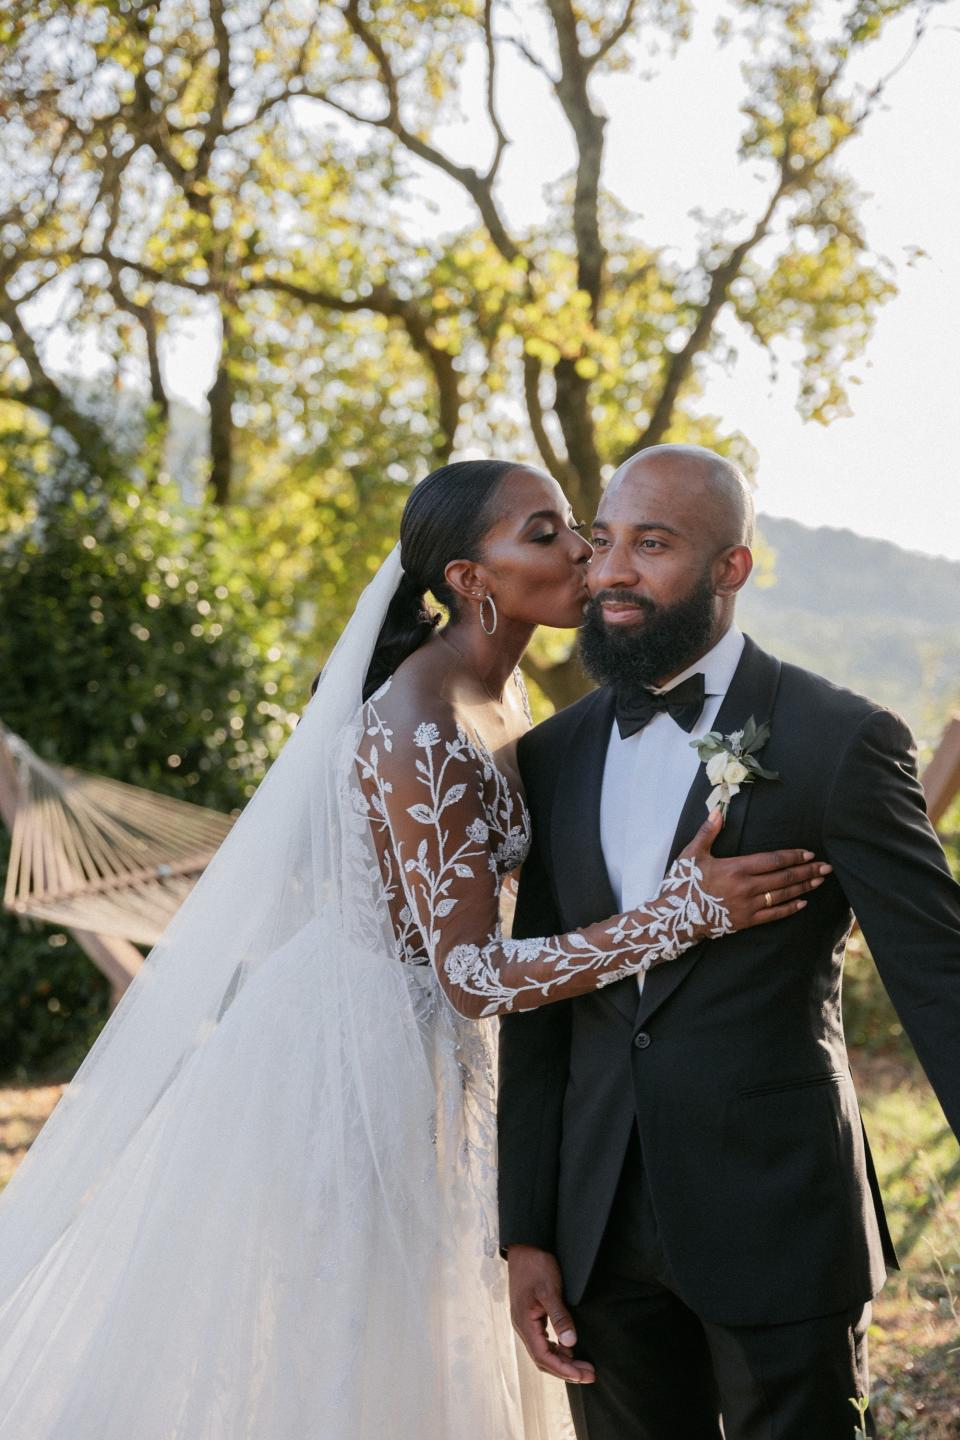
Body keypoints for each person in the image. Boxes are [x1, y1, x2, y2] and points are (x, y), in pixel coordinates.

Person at [0, 460, 821, 1439]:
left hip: (439, 1055)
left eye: (579, 527)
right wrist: (677, 917)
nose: (583, 549)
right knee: (363, 1341)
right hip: (360, 1063)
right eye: (546, 531)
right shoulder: (422, 720)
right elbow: (470, 974)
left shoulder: (497, 697)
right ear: (473, 578)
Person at [498, 444, 960, 1440]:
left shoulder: (840, 740)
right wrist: (527, 1234)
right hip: (597, 1232)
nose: (612, 570)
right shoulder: (548, 754)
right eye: (604, 538)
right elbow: (541, 1010)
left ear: (731, 568)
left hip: (779, 1218)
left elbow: (939, 974)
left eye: (652, 544)